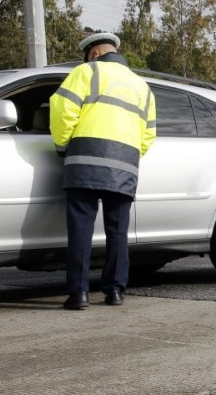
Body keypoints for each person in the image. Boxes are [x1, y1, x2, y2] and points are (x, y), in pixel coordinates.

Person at [50, 32, 157, 309]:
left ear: (94, 53)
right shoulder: (142, 86)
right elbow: (149, 134)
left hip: (85, 161)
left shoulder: (87, 71)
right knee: (118, 232)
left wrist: (63, 145)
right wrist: (129, 155)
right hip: (123, 167)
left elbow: (62, 110)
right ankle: (115, 291)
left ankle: (78, 294)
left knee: (81, 231)